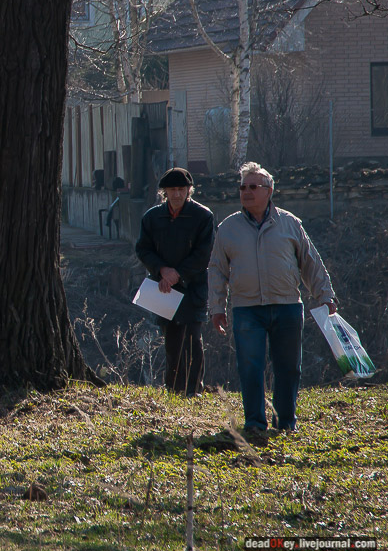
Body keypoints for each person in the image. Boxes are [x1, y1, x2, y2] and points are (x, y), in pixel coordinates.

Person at [209, 162, 336, 433]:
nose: (246, 192)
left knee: (289, 369)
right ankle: (255, 424)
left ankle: (285, 423)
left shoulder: (290, 224)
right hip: (247, 310)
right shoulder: (227, 228)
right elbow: (217, 270)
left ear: (269, 191)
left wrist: (325, 295)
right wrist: (216, 307)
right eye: (243, 187)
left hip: (288, 307)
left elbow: (311, 263)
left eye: (253, 187)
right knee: (250, 368)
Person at [136, 167, 215, 396]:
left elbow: (203, 254)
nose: (177, 194)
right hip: (163, 288)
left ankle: (193, 390)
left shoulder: (203, 216)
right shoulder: (152, 217)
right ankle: (173, 389)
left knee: (193, 339)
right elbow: (143, 249)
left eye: (181, 189)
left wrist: (177, 273)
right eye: (172, 190)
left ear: (189, 190)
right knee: (171, 340)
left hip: (193, 286)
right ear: (165, 192)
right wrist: (162, 270)